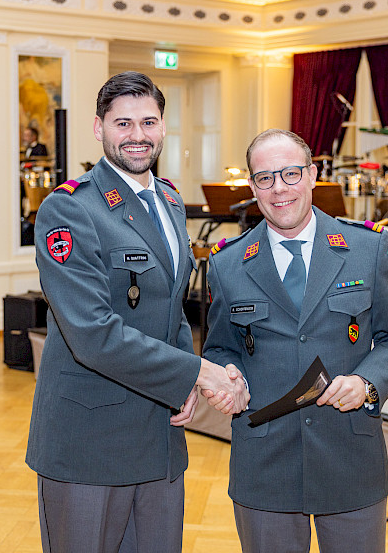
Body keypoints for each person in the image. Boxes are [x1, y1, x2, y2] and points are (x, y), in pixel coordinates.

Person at [26, 71, 248, 553]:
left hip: (159, 433)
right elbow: (93, 335)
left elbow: (170, 307)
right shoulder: (70, 210)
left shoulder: (168, 199)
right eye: (122, 123)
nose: (137, 135)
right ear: (98, 129)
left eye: (148, 121)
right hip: (91, 438)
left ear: (164, 127)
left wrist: (183, 384)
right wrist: (198, 372)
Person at [202, 128, 388, 553]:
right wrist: (224, 374)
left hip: (349, 454)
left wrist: (367, 383)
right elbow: (220, 347)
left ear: (312, 175)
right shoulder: (227, 263)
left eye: (290, 173)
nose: (279, 188)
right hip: (265, 461)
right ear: (252, 186)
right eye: (265, 178)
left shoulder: (366, 247)